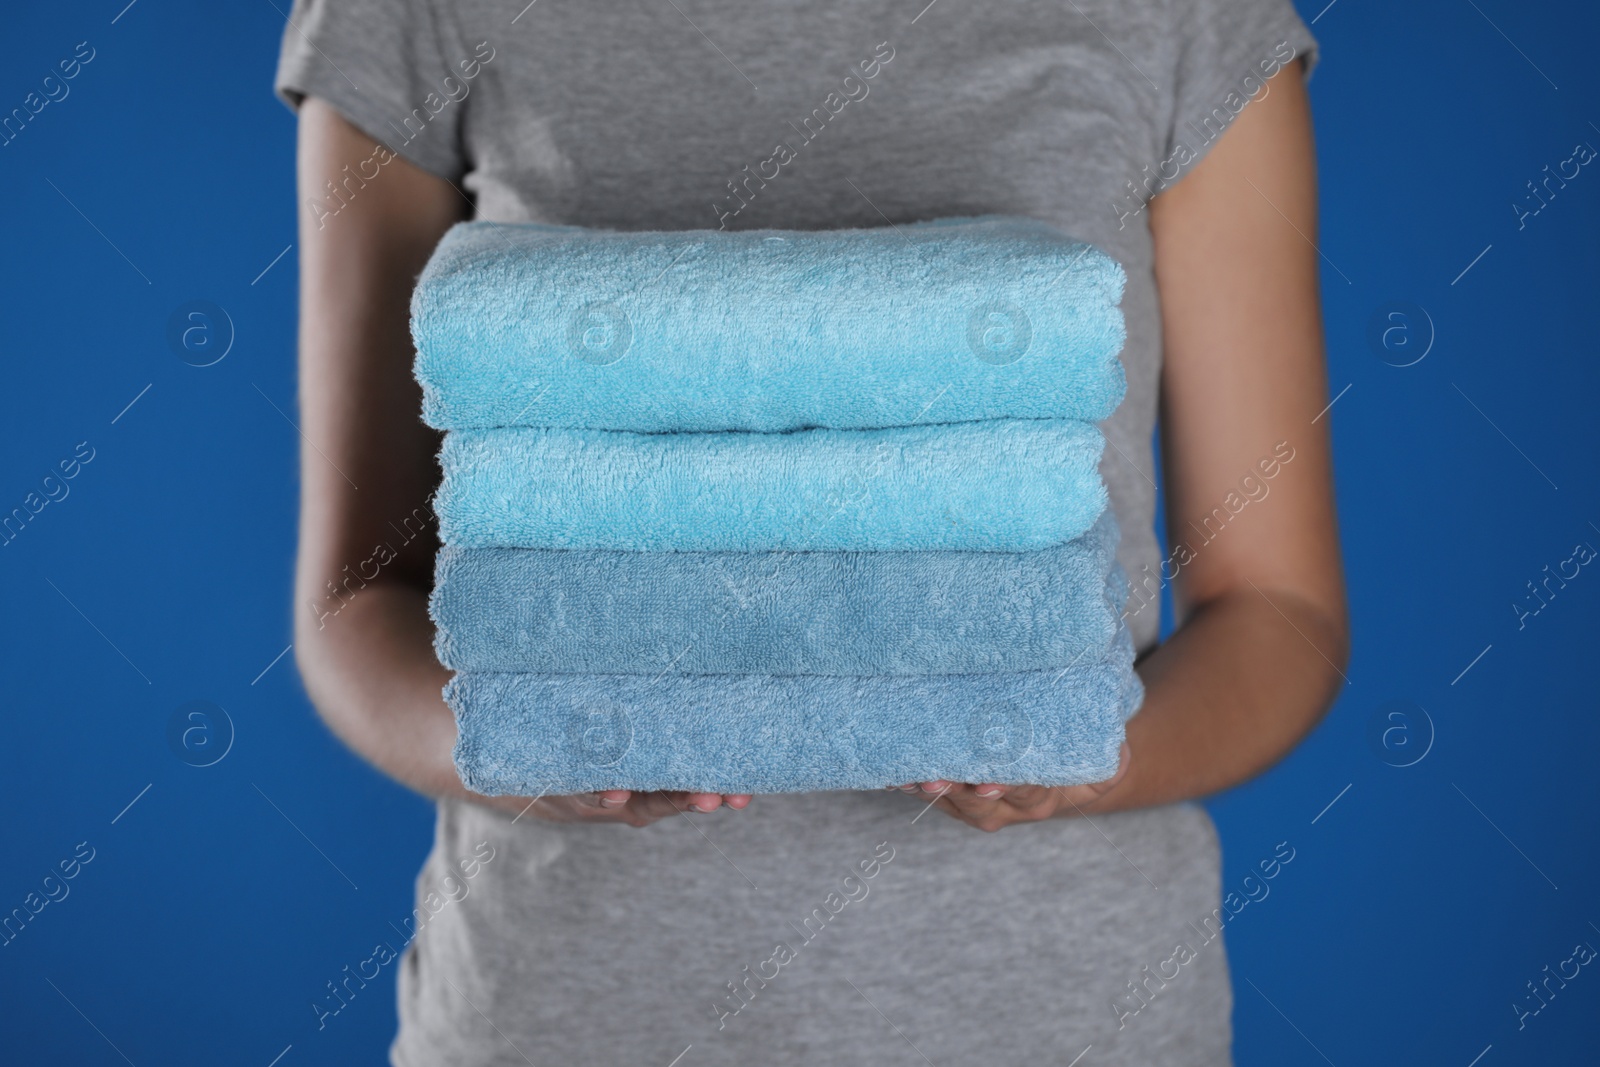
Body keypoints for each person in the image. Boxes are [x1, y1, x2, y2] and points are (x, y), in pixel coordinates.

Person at [276, 0, 1346, 1062]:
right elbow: (356, 597)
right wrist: (514, 745)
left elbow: (1276, 611)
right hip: (566, 1014)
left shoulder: (1180, 16)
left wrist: (1082, 755)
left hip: (1063, 1017)